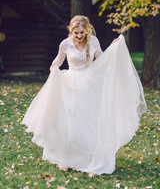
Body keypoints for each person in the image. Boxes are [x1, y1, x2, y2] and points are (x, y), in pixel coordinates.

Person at [21, 15, 147, 176]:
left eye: (82, 32)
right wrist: (54, 69)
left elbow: (101, 58)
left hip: (90, 83)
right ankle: (65, 159)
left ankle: (91, 161)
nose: (80, 36)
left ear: (86, 30)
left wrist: (112, 50)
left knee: (88, 121)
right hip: (70, 84)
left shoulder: (93, 41)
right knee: (70, 121)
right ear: (71, 31)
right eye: (76, 33)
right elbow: (57, 61)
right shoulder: (65, 44)